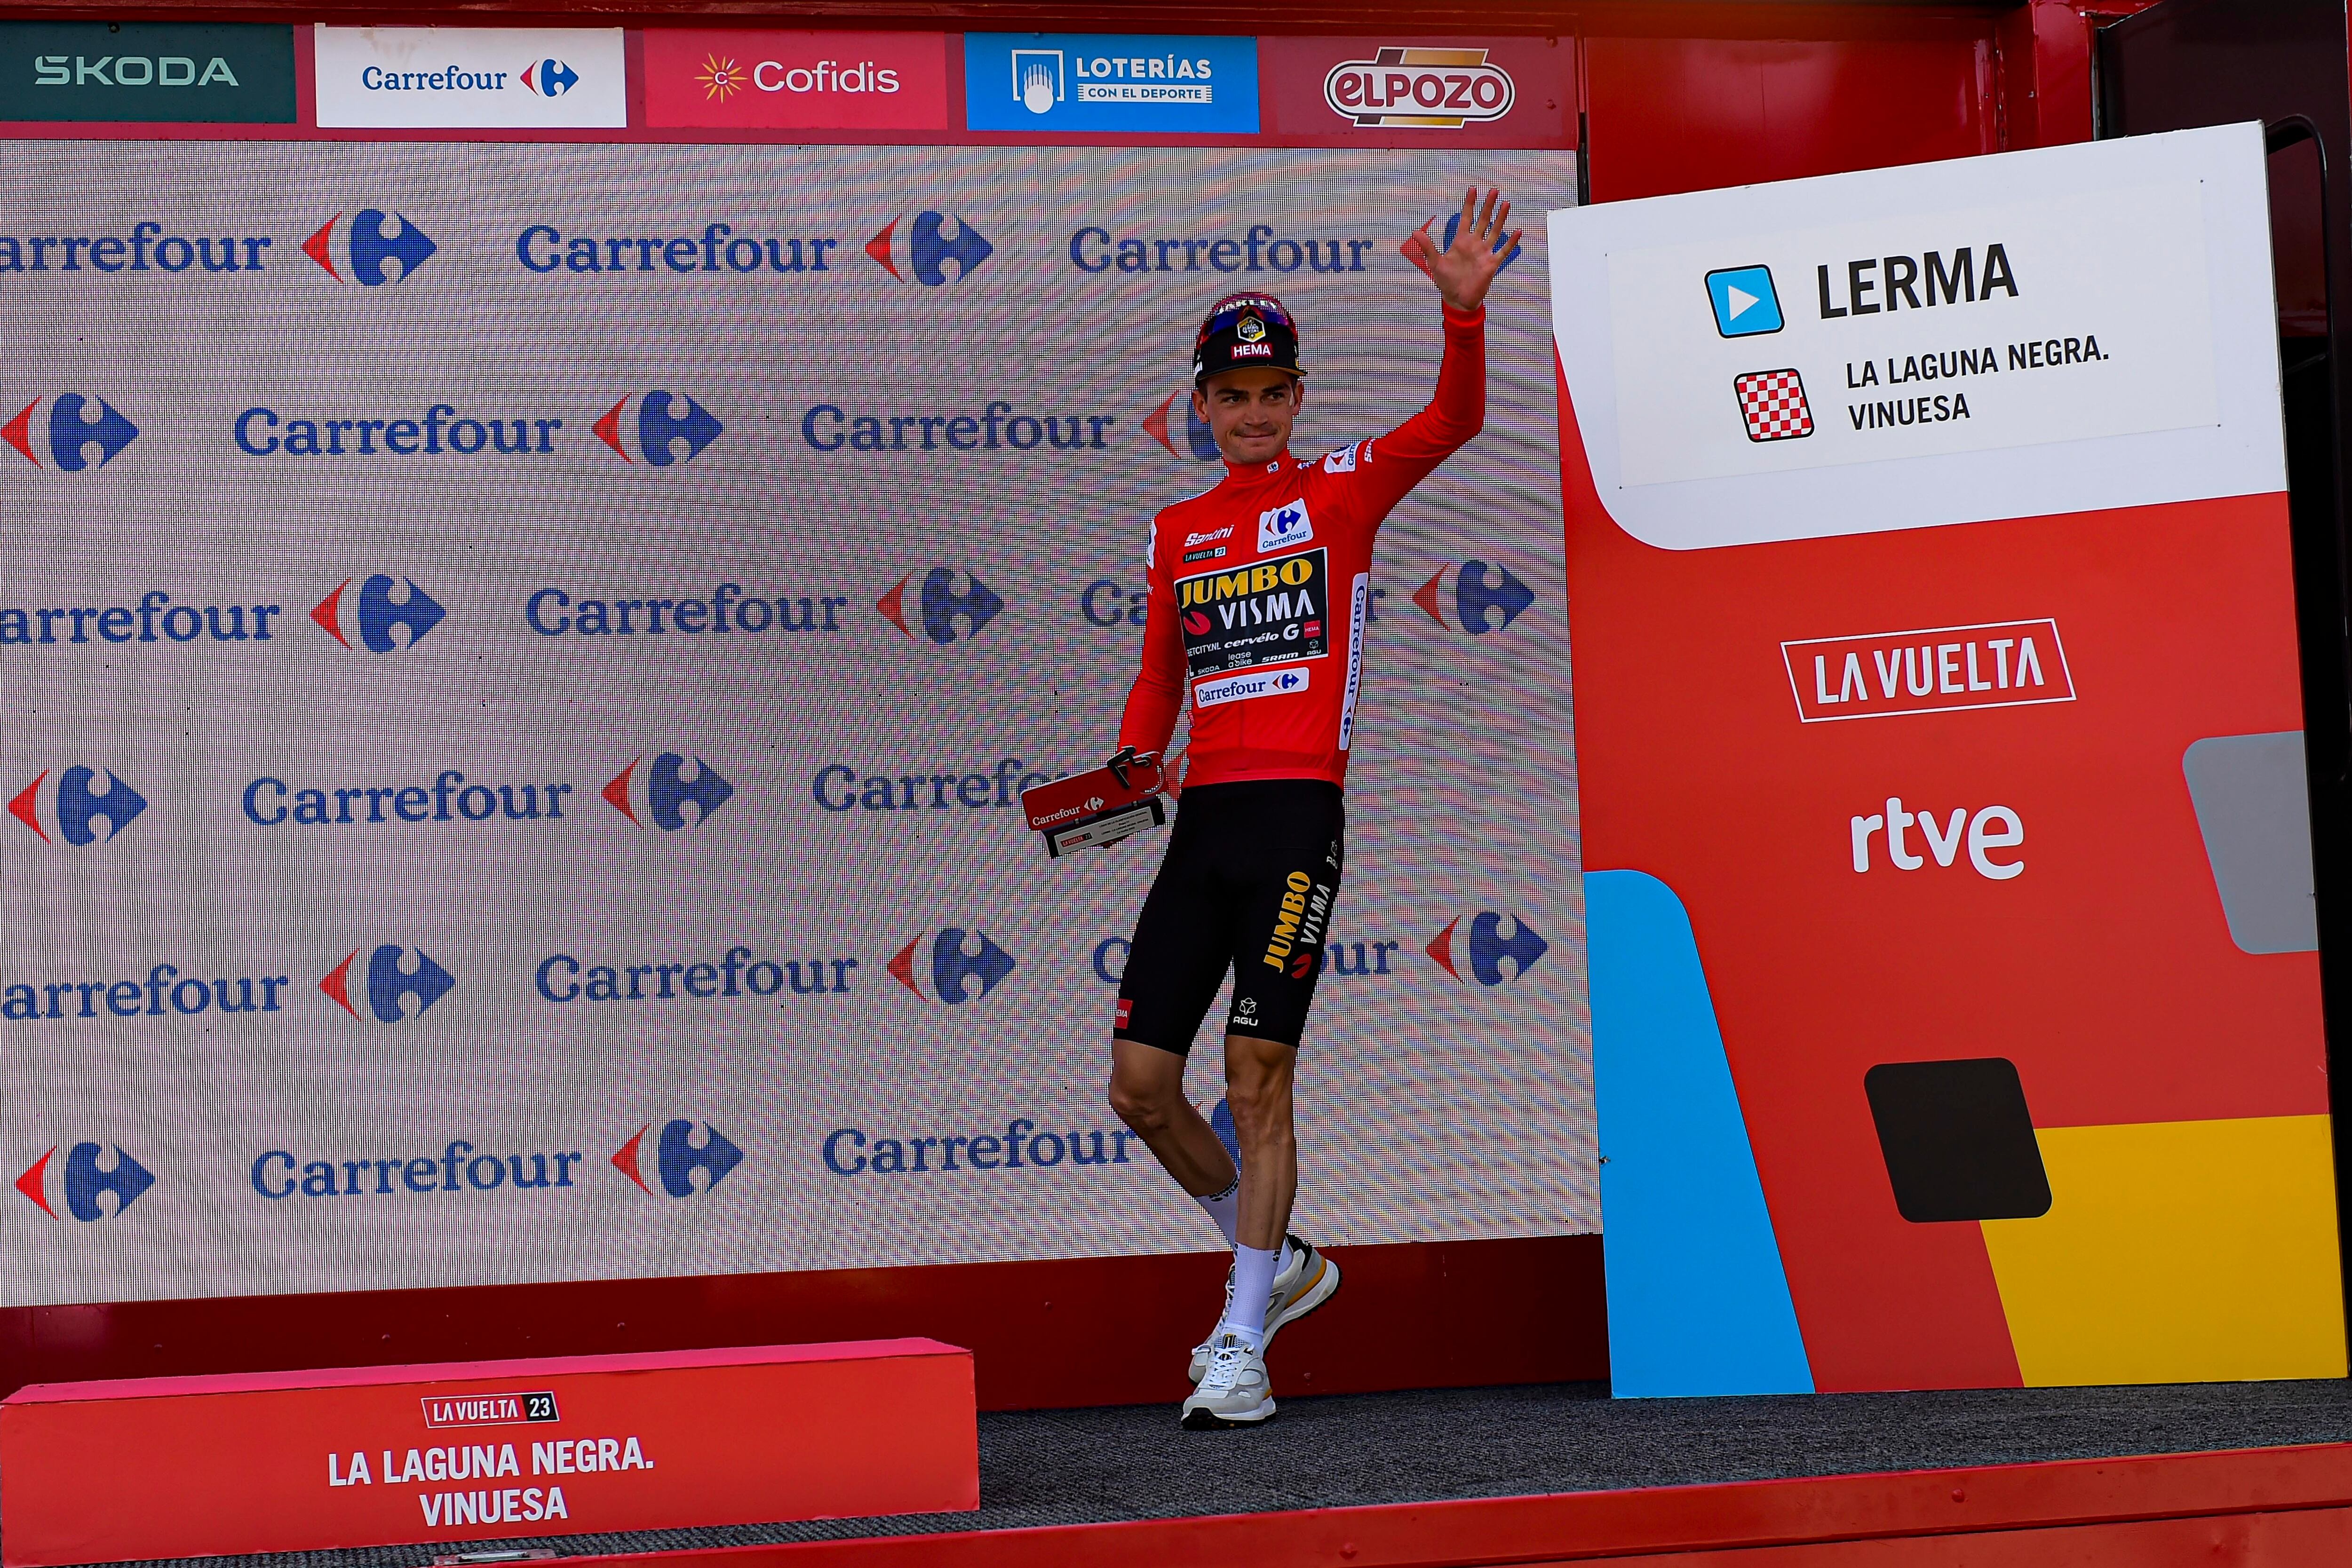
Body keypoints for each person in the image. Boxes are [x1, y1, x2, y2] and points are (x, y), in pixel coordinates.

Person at [1104, 188, 1519, 1429]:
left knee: (1258, 1071)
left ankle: (1244, 1345)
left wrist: (1461, 319)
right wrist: (1134, 756)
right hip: (1205, 826)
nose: (1250, 413)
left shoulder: (1339, 493)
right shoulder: (1178, 529)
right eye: (1229, 397)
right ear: (1202, 406)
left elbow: (1453, 422)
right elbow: (1158, 675)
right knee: (1137, 1087)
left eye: (1270, 394)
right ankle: (1270, 1259)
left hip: (1295, 820)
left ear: (1296, 401)